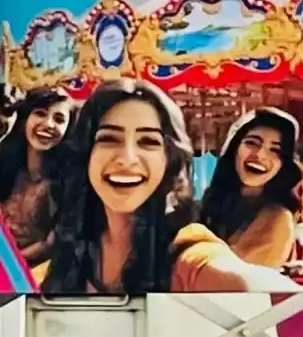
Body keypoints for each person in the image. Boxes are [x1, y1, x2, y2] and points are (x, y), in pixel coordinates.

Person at [36, 80, 283, 296]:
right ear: (85, 154)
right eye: (109, 139)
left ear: (169, 160)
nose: (127, 159)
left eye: (148, 141)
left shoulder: (186, 251)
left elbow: (253, 284)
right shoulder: (76, 243)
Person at [199, 109, 302, 271]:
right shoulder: (210, 205)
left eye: (275, 150)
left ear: (283, 164)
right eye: (252, 143)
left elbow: (236, 275)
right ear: (235, 148)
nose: (260, 155)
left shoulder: (277, 219)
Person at [0, 85, 70, 263]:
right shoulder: (1, 163)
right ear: (24, 121)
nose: (48, 124)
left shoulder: (69, 180)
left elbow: (50, 244)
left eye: (59, 119)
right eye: (40, 113)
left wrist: (7, 264)